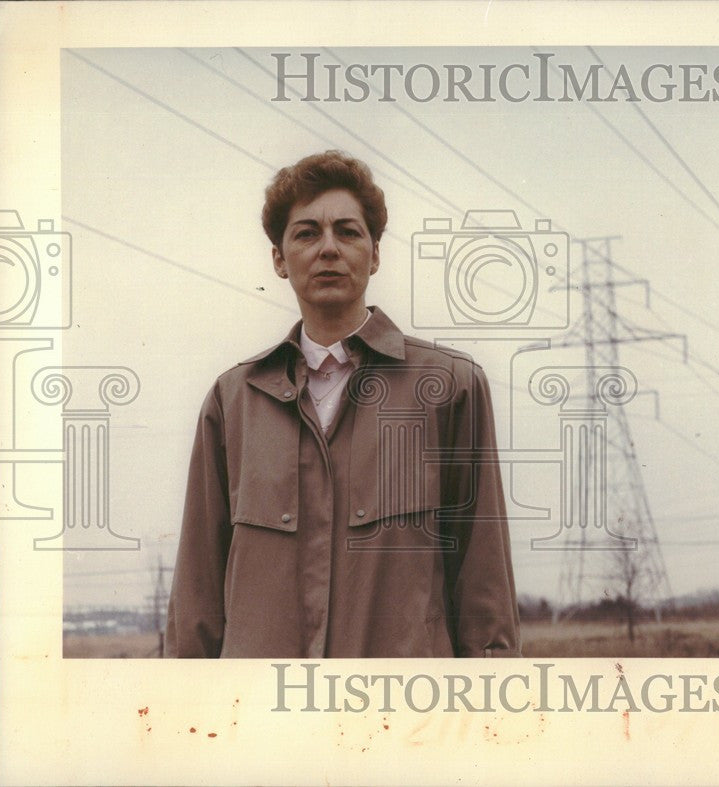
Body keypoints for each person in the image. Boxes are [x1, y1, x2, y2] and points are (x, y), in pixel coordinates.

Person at [165, 151, 520, 658]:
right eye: (306, 233)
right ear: (279, 260)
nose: (328, 248)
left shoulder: (449, 387)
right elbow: (197, 589)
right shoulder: (233, 400)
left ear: (375, 254)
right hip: (265, 722)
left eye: (348, 232)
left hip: (403, 719)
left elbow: (484, 578)